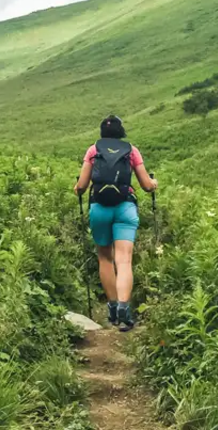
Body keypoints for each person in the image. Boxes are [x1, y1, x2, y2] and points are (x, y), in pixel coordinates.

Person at [74, 115, 156, 331]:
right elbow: (147, 185)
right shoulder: (132, 150)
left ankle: (111, 309)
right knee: (124, 260)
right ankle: (123, 309)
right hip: (125, 206)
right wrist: (154, 183)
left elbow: (82, 185)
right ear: (121, 132)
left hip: (99, 207)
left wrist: (78, 189)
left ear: (102, 133)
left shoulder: (93, 150)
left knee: (105, 258)